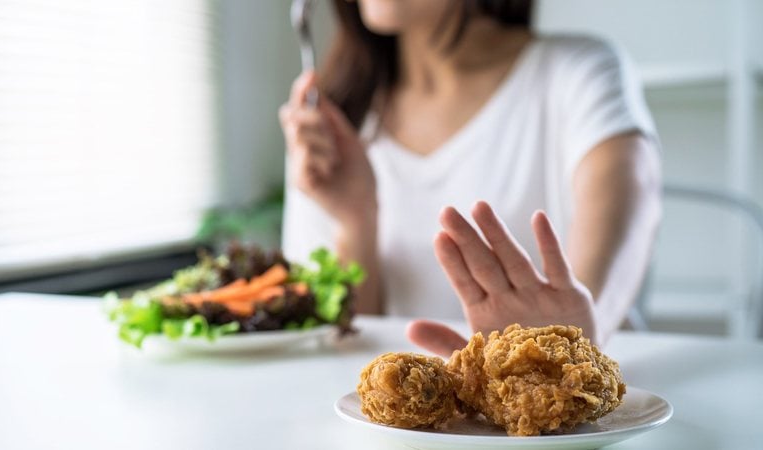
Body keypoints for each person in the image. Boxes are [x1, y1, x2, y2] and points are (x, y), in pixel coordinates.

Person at [279, 0, 661, 357]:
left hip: (567, 417)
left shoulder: (578, 71)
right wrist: (354, 221)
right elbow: (344, 349)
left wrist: (573, 343)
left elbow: (633, 199)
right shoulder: (334, 121)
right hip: (414, 427)